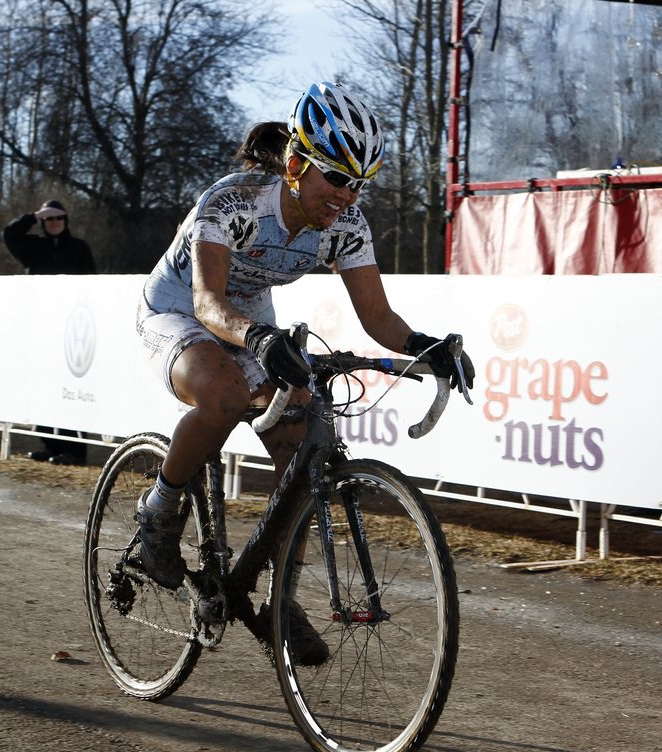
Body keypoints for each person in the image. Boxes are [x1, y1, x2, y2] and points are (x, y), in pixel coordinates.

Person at [134, 82, 473, 661]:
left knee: (302, 440)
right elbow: (210, 304)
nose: (346, 195)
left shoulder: (348, 225)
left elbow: (378, 317)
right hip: (179, 310)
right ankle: (159, 514)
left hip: (250, 322)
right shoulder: (232, 202)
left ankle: (281, 600)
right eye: (336, 177)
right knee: (223, 393)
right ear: (296, 164)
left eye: (358, 183)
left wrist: (426, 346)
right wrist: (259, 336)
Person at [2, 199, 98, 465]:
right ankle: (51, 445)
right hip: (40, 325)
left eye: (59, 218)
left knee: (70, 387)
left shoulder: (79, 247)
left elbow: (92, 284)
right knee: (41, 385)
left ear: (66, 220)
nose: (54, 223)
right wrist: (32, 214)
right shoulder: (33, 247)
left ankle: (75, 450)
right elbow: (9, 234)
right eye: (49, 219)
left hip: (72, 329)